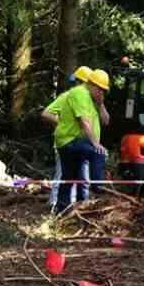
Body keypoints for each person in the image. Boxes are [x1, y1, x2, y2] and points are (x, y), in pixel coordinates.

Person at [42, 68, 110, 213]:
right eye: (100, 89)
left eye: (104, 90)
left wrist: (100, 103)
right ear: (89, 84)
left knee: (71, 177)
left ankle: (64, 208)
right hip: (71, 140)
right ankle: (98, 188)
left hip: (79, 141)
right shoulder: (77, 94)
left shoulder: (92, 99)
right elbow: (84, 122)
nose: (101, 92)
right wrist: (96, 144)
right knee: (97, 155)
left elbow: (106, 121)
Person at [47, 66, 91, 209]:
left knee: (82, 177)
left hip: (81, 144)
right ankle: (56, 205)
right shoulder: (66, 97)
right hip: (66, 142)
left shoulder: (87, 100)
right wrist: (63, 125)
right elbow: (46, 113)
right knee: (63, 175)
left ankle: (80, 206)